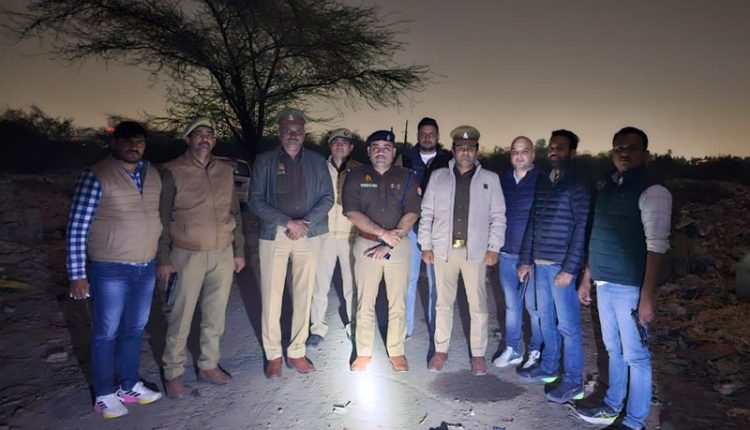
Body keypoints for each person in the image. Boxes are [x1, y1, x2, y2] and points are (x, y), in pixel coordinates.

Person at [575, 127, 671, 430]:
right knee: (613, 350)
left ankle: (634, 421)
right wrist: (588, 276)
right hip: (605, 283)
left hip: (630, 287)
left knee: (636, 356)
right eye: (619, 147)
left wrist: (647, 295)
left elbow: (657, 247)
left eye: (632, 147)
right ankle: (612, 404)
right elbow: (598, 235)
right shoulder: (609, 187)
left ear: (645, 153)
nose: (624, 152)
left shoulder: (653, 191)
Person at [66, 121, 163, 418]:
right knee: (106, 333)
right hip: (110, 269)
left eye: (139, 141)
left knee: (134, 329)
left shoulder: (153, 174)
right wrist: (77, 275)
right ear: (114, 144)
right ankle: (105, 394)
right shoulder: (97, 175)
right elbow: (77, 228)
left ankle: (129, 385)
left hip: (145, 266)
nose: (134, 146)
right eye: (127, 141)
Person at [158, 117, 245, 398]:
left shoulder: (225, 171)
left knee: (215, 315)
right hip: (187, 253)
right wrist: (164, 258)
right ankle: (173, 373)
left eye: (209, 134)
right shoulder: (172, 170)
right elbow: (161, 217)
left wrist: (239, 251)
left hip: (222, 252)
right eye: (199, 134)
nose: (205, 138)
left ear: (214, 140)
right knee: (180, 316)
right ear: (188, 140)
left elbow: (235, 212)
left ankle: (208, 365)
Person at [248, 108, 334, 378]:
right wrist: (288, 222)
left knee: (303, 295)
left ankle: (296, 352)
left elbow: (328, 198)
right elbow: (254, 200)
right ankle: (273, 355)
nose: (293, 135)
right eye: (288, 131)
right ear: (280, 133)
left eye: (298, 131)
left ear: (304, 134)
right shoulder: (264, 161)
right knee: (271, 296)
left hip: (308, 233)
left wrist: (304, 222)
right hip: (275, 234)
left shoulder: (317, 161)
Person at [419, 126, 505, 376]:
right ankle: (440, 350)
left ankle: (478, 354)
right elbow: (427, 213)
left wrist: (494, 247)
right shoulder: (438, 177)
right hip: (443, 251)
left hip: (475, 252)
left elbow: (498, 216)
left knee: (477, 305)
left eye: (470, 148)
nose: (465, 152)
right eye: (460, 147)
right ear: (453, 150)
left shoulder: (490, 179)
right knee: (442, 303)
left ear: (477, 150)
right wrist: (426, 245)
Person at [516, 129, 590, 404]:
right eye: (551, 147)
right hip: (540, 263)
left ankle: (573, 381)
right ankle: (548, 367)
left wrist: (570, 269)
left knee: (568, 326)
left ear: (572, 152)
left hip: (561, 266)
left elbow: (582, 227)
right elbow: (533, 222)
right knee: (545, 318)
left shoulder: (578, 184)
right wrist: (525, 259)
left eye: (560, 147)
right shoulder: (544, 181)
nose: (554, 151)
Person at [342, 130, 421, 372]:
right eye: (375, 147)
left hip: (398, 245)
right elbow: (352, 212)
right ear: (368, 151)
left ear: (393, 152)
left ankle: (396, 351)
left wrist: (390, 240)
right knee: (365, 300)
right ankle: (363, 352)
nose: (381, 151)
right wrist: (381, 234)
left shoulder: (407, 177)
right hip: (366, 245)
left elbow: (412, 213)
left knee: (397, 301)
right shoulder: (355, 176)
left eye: (386, 147)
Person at [308, 128, 362, 346]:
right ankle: (317, 328)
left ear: (351, 147)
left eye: (344, 142)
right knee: (319, 285)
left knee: (352, 285)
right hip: (325, 235)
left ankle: (353, 326)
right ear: (330, 145)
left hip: (351, 235)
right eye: (335, 141)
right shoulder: (318, 169)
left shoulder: (359, 170)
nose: (340, 145)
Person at [493, 136, 544, 369]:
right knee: (512, 305)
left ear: (533, 154)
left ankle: (535, 350)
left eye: (525, 151)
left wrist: (530, 258)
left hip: (531, 257)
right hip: (506, 253)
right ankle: (513, 348)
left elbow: (541, 221)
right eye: (515, 151)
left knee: (533, 307)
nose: (519, 155)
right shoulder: (502, 180)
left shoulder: (541, 180)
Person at [402, 117, 452, 337]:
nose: (427, 137)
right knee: (409, 279)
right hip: (411, 227)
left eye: (431, 134)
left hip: (438, 229)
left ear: (438, 136)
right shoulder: (405, 158)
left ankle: (436, 328)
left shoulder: (448, 160)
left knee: (436, 283)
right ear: (418, 135)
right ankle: (406, 327)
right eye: (423, 133)